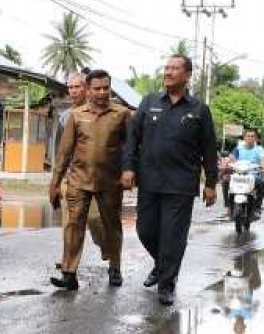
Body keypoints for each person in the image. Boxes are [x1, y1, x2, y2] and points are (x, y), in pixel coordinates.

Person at [122, 54, 218, 306]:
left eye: (174, 69)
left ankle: (166, 284)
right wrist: (128, 167)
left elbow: (209, 149)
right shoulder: (149, 102)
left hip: (181, 185)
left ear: (187, 75)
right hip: (150, 181)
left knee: (172, 236)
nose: (168, 72)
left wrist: (210, 183)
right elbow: (133, 138)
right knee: (145, 230)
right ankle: (163, 264)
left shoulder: (199, 109)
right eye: (166, 68)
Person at [49, 69, 131, 290]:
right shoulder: (77, 116)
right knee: (73, 225)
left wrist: (129, 171)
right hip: (78, 180)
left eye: (106, 88)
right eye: (97, 88)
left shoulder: (122, 114)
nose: (102, 92)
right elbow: (64, 152)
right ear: (88, 89)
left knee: (111, 225)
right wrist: (55, 183)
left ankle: (115, 267)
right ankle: (69, 273)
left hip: (110, 182)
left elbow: (130, 149)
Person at [53, 72, 109, 270]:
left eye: (78, 87)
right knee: (71, 223)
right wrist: (56, 181)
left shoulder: (99, 114)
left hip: (95, 177)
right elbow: (59, 151)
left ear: (87, 89)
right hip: (72, 177)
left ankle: (106, 245)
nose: (73, 91)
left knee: (95, 219)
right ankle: (68, 261)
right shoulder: (64, 118)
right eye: (70, 87)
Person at [229, 129, 264, 218]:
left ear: (256, 138)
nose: (250, 138)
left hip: (253, 175)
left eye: (252, 136)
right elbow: (231, 158)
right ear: (244, 138)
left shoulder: (259, 149)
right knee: (226, 181)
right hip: (238, 175)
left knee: (262, 184)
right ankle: (228, 207)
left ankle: (257, 207)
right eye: (248, 136)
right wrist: (226, 165)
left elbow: (263, 161)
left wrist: (263, 167)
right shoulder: (238, 148)